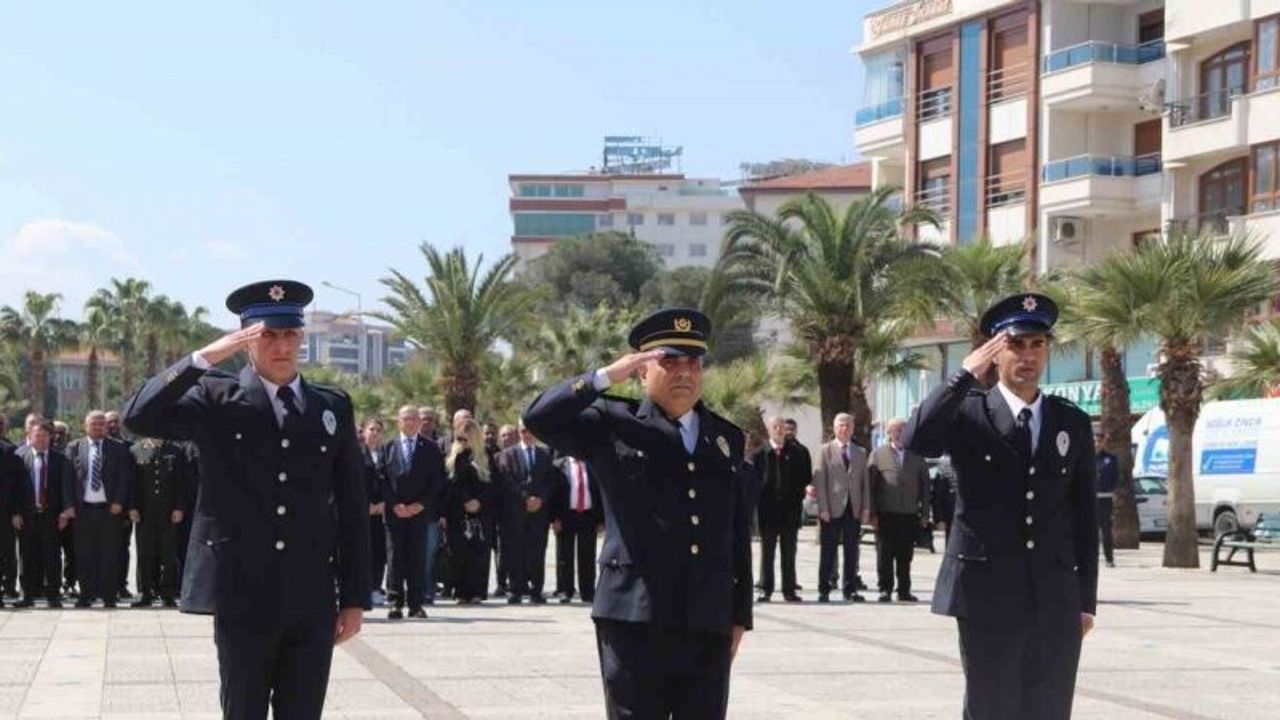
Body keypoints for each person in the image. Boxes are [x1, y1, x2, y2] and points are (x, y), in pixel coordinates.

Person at [123, 279, 370, 720]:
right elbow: (139, 416)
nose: (281, 346)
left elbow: (352, 506)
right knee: (243, 711)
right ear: (245, 339)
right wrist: (205, 358)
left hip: (309, 593)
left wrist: (353, 598)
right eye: (267, 335)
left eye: (290, 334)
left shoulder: (330, 406)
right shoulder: (216, 399)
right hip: (242, 592)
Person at [524, 307, 753, 720]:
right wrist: (606, 376)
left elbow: (734, 530)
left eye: (693, 362)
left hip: (706, 619)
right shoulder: (612, 422)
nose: (684, 372)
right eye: (669, 361)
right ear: (643, 370)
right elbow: (539, 417)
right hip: (634, 616)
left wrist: (739, 616)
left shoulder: (725, 437)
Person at [903, 293, 1098, 720]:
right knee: (993, 708)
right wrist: (961, 377)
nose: (1028, 355)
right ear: (994, 350)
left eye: (1037, 344)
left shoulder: (1071, 421)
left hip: (1054, 596)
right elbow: (916, 441)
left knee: (1049, 709)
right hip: (986, 594)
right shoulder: (969, 412)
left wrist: (1085, 601)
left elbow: (1083, 517)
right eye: (1016, 344)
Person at [64, 410, 138, 608]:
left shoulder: (118, 449)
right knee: (83, 553)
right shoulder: (74, 447)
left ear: (106, 426)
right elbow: (67, 480)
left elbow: (125, 478)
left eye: (101, 424)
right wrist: (69, 505)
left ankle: (109, 595)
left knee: (110, 553)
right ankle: (86, 594)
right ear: (85, 426)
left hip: (110, 510)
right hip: (83, 510)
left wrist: (119, 502)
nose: (98, 427)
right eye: (94, 424)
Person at [380, 406, 444, 620]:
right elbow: (381, 479)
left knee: (418, 557)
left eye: (414, 418)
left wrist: (420, 504)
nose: (410, 422)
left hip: (419, 513)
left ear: (419, 422)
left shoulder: (431, 448)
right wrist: (394, 504)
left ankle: (416, 604)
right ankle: (395, 603)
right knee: (395, 557)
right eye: (406, 418)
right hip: (394, 512)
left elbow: (437, 481)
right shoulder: (387, 446)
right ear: (398, 421)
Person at [868, 418, 931, 603]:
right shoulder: (878, 454)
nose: (900, 433)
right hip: (885, 513)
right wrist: (871, 513)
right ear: (888, 432)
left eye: (903, 430)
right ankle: (884, 589)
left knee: (905, 555)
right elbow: (871, 487)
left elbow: (925, 487)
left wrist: (925, 513)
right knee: (884, 554)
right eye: (896, 430)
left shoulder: (917, 456)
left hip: (909, 513)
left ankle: (904, 590)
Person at [749, 416, 811, 603]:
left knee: (789, 552)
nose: (778, 429)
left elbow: (805, 477)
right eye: (775, 427)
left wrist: (797, 495)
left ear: (786, 429)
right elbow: (753, 481)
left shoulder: (798, 452)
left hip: (790, 510)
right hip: (767, 511)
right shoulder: (759, 454)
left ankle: (789, 590)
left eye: (781, 427)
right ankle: (765, 589)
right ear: (768, 429)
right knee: (767, 552)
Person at [13, 420, 73, 608]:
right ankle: (27, 595)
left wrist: (65, 512)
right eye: (37, 435)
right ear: (30, 437)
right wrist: (15, 513)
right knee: (27, 556)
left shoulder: (60, 459)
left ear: (50, 438)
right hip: (27, 516)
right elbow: (13, 489)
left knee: (53, 556)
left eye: (44, 435)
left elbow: (66, 487)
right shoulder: (19, 457)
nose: (40, 439)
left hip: (52, 516)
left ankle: (53, 596)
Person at [811, 413, 871, 603]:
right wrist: (823, 507)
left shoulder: (860, 452)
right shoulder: (825, 450)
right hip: (832, 508)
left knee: (852, 551)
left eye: (847, 425)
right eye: (841, 425)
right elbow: (820, 481)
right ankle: (824, 588)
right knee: (828, 551)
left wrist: (866, 507)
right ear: (835, 428)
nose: (844, 428)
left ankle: (850, 588)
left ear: (852, 428)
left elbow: (865, 483)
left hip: (853, 508)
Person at [496, 421, 554, 604]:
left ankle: (536, 591)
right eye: (523, 431)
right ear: (519, 433)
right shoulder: (508, 454)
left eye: (531, 431)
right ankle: (516, 590)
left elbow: (551, 481)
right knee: (516, 551)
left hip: (539, 511)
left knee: (537, 551)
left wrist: (540, 499)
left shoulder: (545, 454)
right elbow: (507, 480)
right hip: (516, 511)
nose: (527, 434)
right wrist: (525, 499)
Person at [130, 437, 190, 607]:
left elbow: (181, 482)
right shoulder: (136, 450)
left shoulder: (175, 450)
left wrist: (179, 507)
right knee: (144, 553)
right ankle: (145, 592)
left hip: (168, 511)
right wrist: (132, 506)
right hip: (144, 511)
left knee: (169, 554)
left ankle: (168, 594)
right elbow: (133, 482)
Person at [443, 419, 494, 604]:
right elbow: (450, 485)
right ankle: (461, 591)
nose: (462, 442)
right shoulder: (453, 456)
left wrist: (478, 501)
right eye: (459, 438)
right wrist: (464, 501)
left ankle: (477, 591)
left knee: (478, 552)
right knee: (458, 552)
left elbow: (492, 485)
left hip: (480, 511)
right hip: (457, 511)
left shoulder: (486, 456)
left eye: (466, 438)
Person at [551, 452, 602, 604]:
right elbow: (553, 494)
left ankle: (587, 592)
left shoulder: (592, 464)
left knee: (587, 555)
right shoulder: (559, 465)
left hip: (588, 515)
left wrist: (601, 519)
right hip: (566, 515)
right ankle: (566, 590)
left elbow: (599, 492)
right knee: (564, 556)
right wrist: (554, 518)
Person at [106, 409, 136, 599]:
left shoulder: (129, 448)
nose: (112, 425)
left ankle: (121, 585)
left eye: (116, 422)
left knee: (121, 549)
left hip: (121, 510)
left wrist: (128, 508)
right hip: (100, 508)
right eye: (109, 422)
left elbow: (131, 480)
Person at [360, 418, 388, 604]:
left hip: (382, 511)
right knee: (363, 550)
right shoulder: (356, 454)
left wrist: (384, 504)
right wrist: (366, 505)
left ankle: (376, 587)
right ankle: (363, 589)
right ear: (363, 432)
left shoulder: (386, 453)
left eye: (378, 429)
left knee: (380, 551)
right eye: (371, 429)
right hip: (362, 511)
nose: (375, 433)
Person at [0, 416, 22, 602]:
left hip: (5, 512)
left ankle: (9, 587)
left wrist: (15, 512)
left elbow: (15, 485)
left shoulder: (9, 451)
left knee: (7, 551)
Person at [1095, 435, 1118, 568]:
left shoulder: (1110, 459)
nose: (1097, 444)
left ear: (1104, 443)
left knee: (1106, 530)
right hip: (1090, 499)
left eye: (1099, 441)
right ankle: (1090, 558)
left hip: (1105, 498)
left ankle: (1109, 559)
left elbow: (1115, 477)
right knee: (1089, 532)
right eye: (1095, 441)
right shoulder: (1085, 458)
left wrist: (1109, 488)